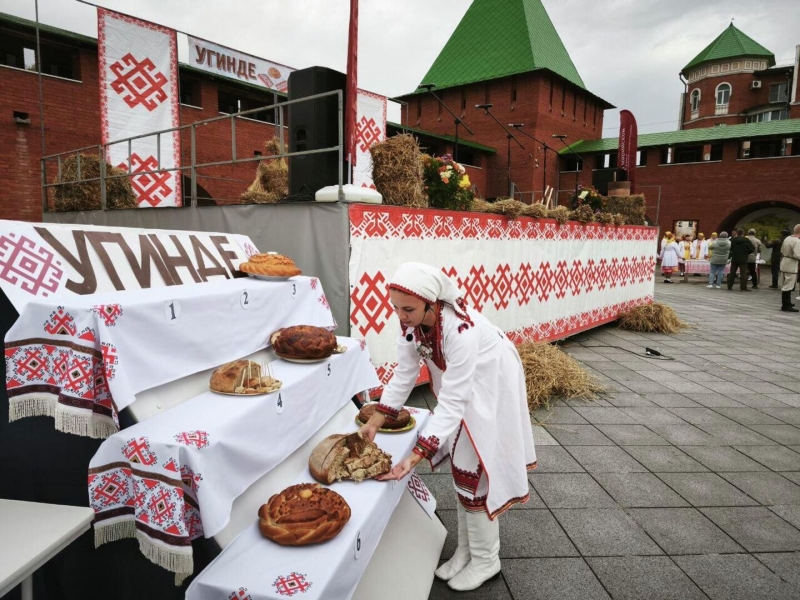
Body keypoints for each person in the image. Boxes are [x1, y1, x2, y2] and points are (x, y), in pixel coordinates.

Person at [361, 262, 537, 592]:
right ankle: (467, 552)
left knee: (473, 465)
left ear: (432, 302)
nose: (401, 315)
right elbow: (404, 373)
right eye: (396, 307)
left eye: (408, 309)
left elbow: (455, 402)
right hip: (463, 386)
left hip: (491, 380)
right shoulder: (411, 325)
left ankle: (487, 559)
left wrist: (414, 456)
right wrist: (376, 419)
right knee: (461, 467)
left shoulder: (460, 330)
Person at [779, 225, 800, 312]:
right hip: (791, 263)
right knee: (789, 285)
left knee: (785, 283)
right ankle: (786, 305)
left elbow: (781, 250)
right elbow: (797, 254)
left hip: (784, 261)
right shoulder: (797, 241)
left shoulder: (787, 238)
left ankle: (787, 303)